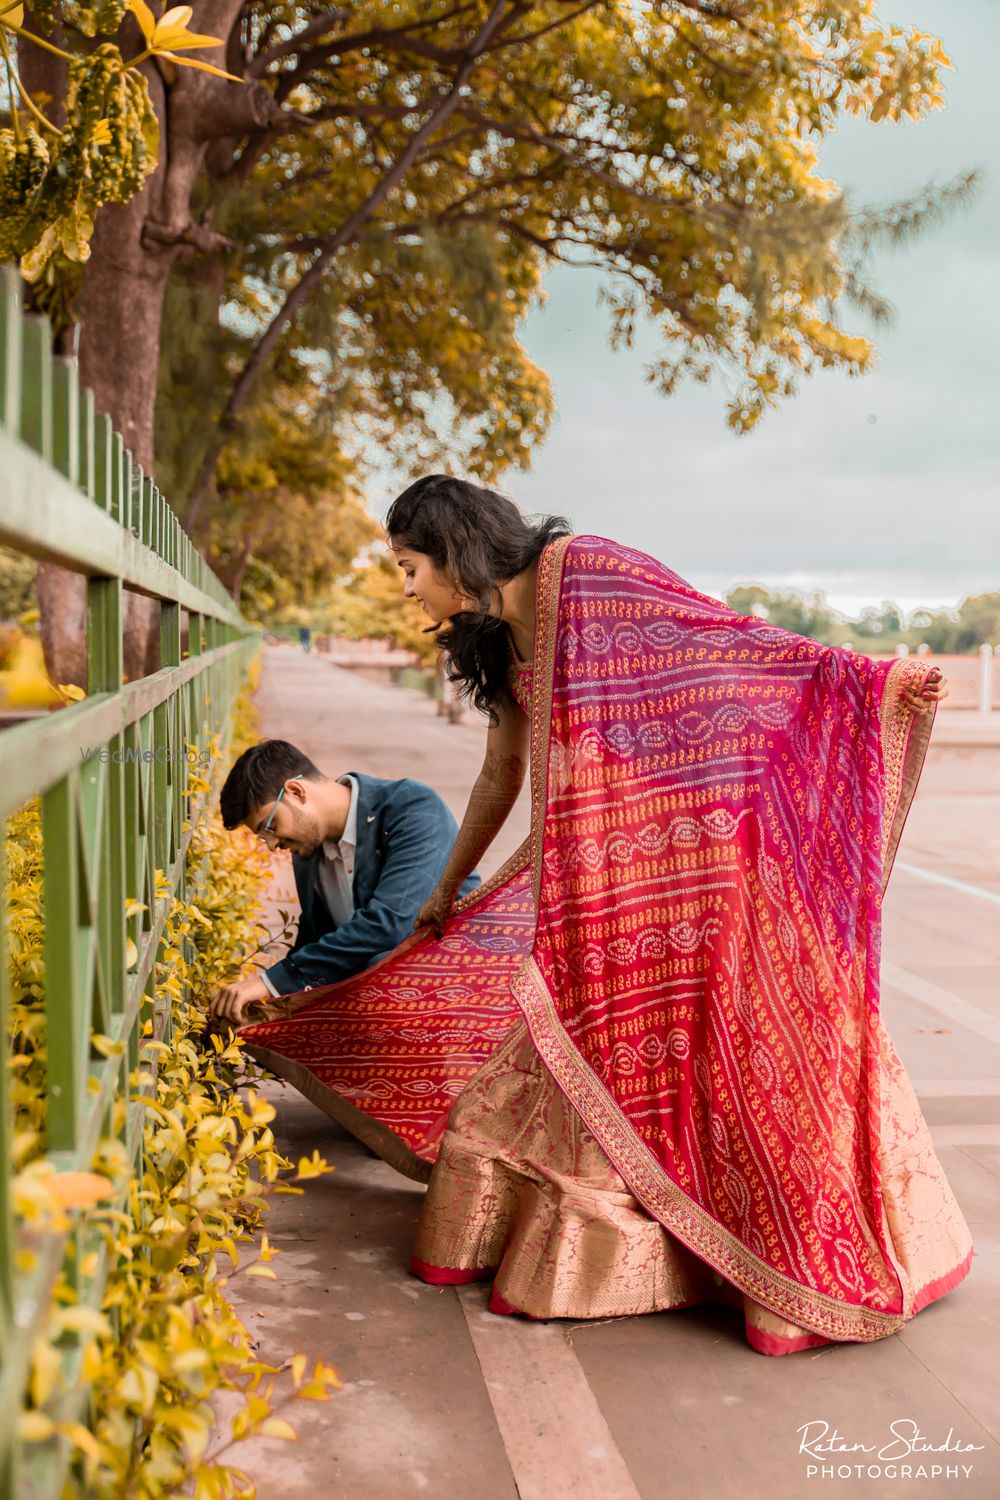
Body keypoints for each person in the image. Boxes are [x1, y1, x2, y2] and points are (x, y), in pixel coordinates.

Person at [239, 476, 973, 1357]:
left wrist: (876, 682)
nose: (405, 588)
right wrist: (448, 889)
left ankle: (750, 1252)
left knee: (730, 1064)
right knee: (536, 1090)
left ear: (456, 550)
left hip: (696, 866)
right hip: (604, 892)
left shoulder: (584, 573)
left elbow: (733, 648)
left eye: (407, 567)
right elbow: (499, 777)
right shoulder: (496, 643)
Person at [208, 739, 480, 1026]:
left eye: (270, 827)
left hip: (460, 983)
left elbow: (391, 924)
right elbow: (318, 943)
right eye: (264, 838)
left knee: (375, 970)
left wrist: (271, 982)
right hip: (385, 1001)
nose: (274, 845)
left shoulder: (412, 807)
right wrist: (267, 1003)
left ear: (296, 791)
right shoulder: (309, 853)